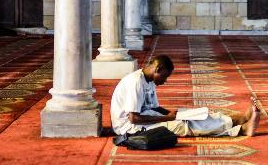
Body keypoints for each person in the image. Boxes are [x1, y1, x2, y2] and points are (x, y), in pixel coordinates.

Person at [110, 55, 259, 138]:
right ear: (158, 69)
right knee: (183, 125)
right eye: (165, 76)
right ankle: (241, 129)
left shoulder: (148, 81)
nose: (165, 81)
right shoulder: (135, 82)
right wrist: (168, 118)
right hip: (129, 128)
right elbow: (134, 118)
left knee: (193, 115)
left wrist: (176, 113)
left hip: (143, 119)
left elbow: (154, 108)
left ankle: (238, 120)